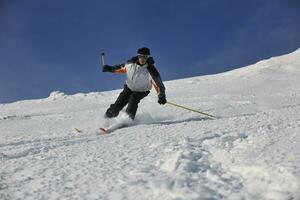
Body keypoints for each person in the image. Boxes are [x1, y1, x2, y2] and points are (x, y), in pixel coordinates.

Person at [102, 47, 167, 121]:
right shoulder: (130, 64)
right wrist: (109, 68)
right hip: (129, 88)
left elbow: (158, 84)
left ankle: (128, 119)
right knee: (117, 105)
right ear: (138, 56)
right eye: (140, 56)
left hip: (142, 91)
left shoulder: (151, 69)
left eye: (145, 57)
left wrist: (161, 96)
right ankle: (106, 119)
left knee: (133, 99)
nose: (142, 59)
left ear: (148, 57)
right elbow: (119, 68)